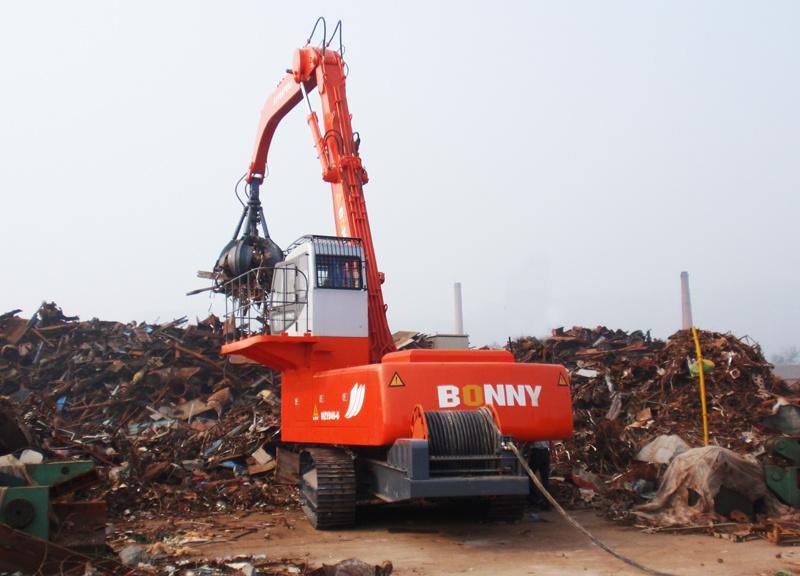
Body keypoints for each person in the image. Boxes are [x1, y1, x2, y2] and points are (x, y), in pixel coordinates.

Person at [527, 440, 551, 510]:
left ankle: (534, 500)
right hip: (545, 452)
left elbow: (530, 441)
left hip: (536, 452)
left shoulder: (535, 429)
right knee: (545, 479)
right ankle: (546, 503)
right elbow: (550, 442)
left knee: (530, 476)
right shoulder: (547, 429)